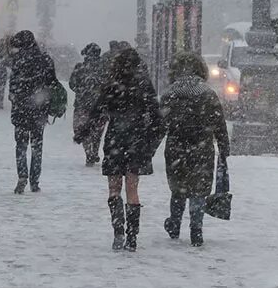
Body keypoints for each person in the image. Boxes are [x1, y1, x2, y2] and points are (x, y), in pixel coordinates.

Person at [81, 47, 164, 251]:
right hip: (136, 141)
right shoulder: (144, 85)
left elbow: (97, 112)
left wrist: (82, 133)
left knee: (114, 188)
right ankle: (132, 236)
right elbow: (157, 120)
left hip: (115, 140)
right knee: (133, 190)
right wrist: (150, 143)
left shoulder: (111, 86)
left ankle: (118, 230)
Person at [159, 52, 229, 247]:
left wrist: (148, 150)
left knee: (178, 188)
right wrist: (223, 147)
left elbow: (159, 126)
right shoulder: (207, 94)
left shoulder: (169, 94)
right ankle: (196, 229)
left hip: (176, 147)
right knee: (199, 189)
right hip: (202, 147)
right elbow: (219, 123)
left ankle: (174, 223)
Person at [8, 30, 59, 193]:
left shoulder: (17, 60)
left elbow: (13, 85)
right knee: (37, 145)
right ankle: (35, 180)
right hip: (39, 107)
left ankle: (22, 176)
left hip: (21, 108)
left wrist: (16, 97)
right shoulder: (45, 59)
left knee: (21, 145)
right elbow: (52, 82)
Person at [69, 42, 108, 163]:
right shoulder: (105, 68)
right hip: (100, 105)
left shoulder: (80, 67)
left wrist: (82, 91)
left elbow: (72, 84)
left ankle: (88, 152)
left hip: (82, 104)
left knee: (82, 129)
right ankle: (95, 151)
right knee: (97, 130)